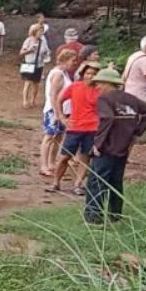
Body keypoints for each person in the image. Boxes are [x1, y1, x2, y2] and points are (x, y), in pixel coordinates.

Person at [86, 67, 146, 225]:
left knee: (96, 181)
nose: (97, 87)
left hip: (107, 147)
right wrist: (137, 131)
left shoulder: (105, 100)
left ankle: (93, 217)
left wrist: (98, 143)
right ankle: (115, 216)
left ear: (108, 83)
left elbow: (108, 118)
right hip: (124, 146)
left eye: (99, 83)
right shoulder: (130, 99)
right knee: (115, 182)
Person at [46, 60, 101, 195]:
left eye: (94, 74)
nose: (90, 76)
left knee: (85, 157)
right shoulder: (75, 86)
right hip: (75, 127)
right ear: (83, 74)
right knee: (64, 157)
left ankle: (78, 184)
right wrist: (61, 116)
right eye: (88, 73)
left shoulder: (100, 91)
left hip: (93, 128)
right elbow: (59, 99)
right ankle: (56, 182)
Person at [39, 47, 78, 176]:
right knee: (49, 137)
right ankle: (44, 165)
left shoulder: (65, 73)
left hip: (64, 111)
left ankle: (51, 163)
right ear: (65, 60)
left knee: (58, 137)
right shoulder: (58, 74)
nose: (75, 63)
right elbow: (53, 95)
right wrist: (57, 113)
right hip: (54, 111)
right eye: (73, 60)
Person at [18, 23, 52, 108]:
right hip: (29, 64)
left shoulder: (43, 42)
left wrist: (47, 54)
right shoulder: (28, 40)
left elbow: (47, 51)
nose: (41, 33)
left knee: (36, 84)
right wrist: (29, 50)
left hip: (39, 65)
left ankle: (33, 100)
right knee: (28, 83)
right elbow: (21, 53)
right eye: (40, 32)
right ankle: (25, 101)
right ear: (35, 32)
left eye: (42, 32)